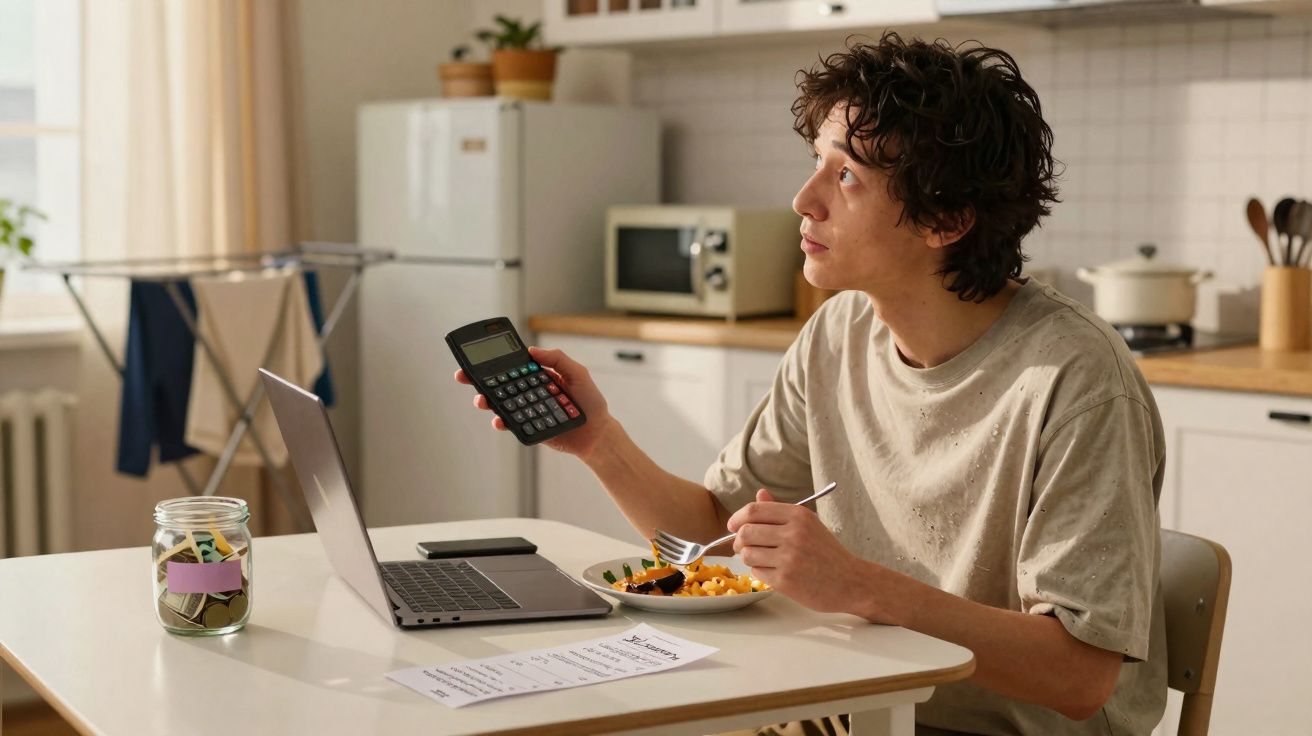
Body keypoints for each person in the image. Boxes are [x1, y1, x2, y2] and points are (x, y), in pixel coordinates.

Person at [456, 32, 1165, 736]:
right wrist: (598, 440)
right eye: (815, 165)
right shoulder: (838, 334)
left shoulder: (1076, 379)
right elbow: (716, 535)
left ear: (945, 218)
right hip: (851, 709)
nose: (804, 199)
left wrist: (856, 585)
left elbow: (1079, 675)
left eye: (846, 176)